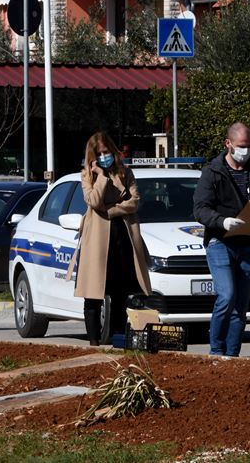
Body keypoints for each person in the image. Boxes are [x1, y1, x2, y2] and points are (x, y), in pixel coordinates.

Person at [193, 122, 250, 357]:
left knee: (241, 303)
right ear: (228, 144)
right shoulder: (213, 171)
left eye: (249, 146)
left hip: (248, 243)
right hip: (220, 242)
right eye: (241, 146)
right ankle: (216, 351)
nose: (246, 151)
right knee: (227, 295)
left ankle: (232, 355)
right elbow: (200, 208)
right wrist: (221, 221)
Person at [66, 131, 152, 346]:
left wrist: (111, 210)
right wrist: (101, 176)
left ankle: (117, 339)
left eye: (107, 151)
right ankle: (94, 342)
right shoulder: (87, 175)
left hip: (122, 238)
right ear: (93, 156)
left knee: (120, 294)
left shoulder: (125, 173)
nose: (105, 156)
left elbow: (134, 202)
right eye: (100, 153)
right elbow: (94, 201)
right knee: (93, 295)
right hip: (96, 241)